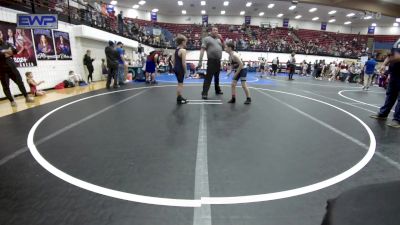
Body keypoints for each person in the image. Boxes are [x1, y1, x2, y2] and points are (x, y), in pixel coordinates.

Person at [370, 39, 400, 128]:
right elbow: (391, 55)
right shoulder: (398, 41)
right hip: (394, 73)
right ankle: (383, 114)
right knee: (390, 94)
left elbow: (397, 57)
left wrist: (391, 57)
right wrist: (383, 65)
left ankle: (397, 119)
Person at [0, 38, 34, 107]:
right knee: (6, 86)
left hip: (12, 68)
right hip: (2, 70)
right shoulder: (7, 46)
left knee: (20, 82)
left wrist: (4, 52)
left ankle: (27, 97)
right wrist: (7, 51)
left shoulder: (7, 43)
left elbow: (15, 51)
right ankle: (12, 101)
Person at [198, 26, 223, 100]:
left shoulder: (219, 40)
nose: (215, 31)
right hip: (211, 61)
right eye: (214, 30)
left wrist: (221, 38)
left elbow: (225, 47)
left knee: (217, 77)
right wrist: (200, 61)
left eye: (216, 30)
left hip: (218, 61)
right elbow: (202, 50)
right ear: (211, 31)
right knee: (208, 78)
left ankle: (217, 90)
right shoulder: (206, 39)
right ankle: (204, 93)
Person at [172, 34, 188, 104]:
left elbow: (173, 60)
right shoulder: (183, 50)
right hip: (180, 69)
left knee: (179, 83)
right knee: (180, 84)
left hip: (176, 68)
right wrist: (186, 71)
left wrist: (174, 67)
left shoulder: (176, 50)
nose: (186, 43)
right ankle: (179, 99)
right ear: (182, 42)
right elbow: (183, 63)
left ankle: (179, 97)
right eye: (185, 42)